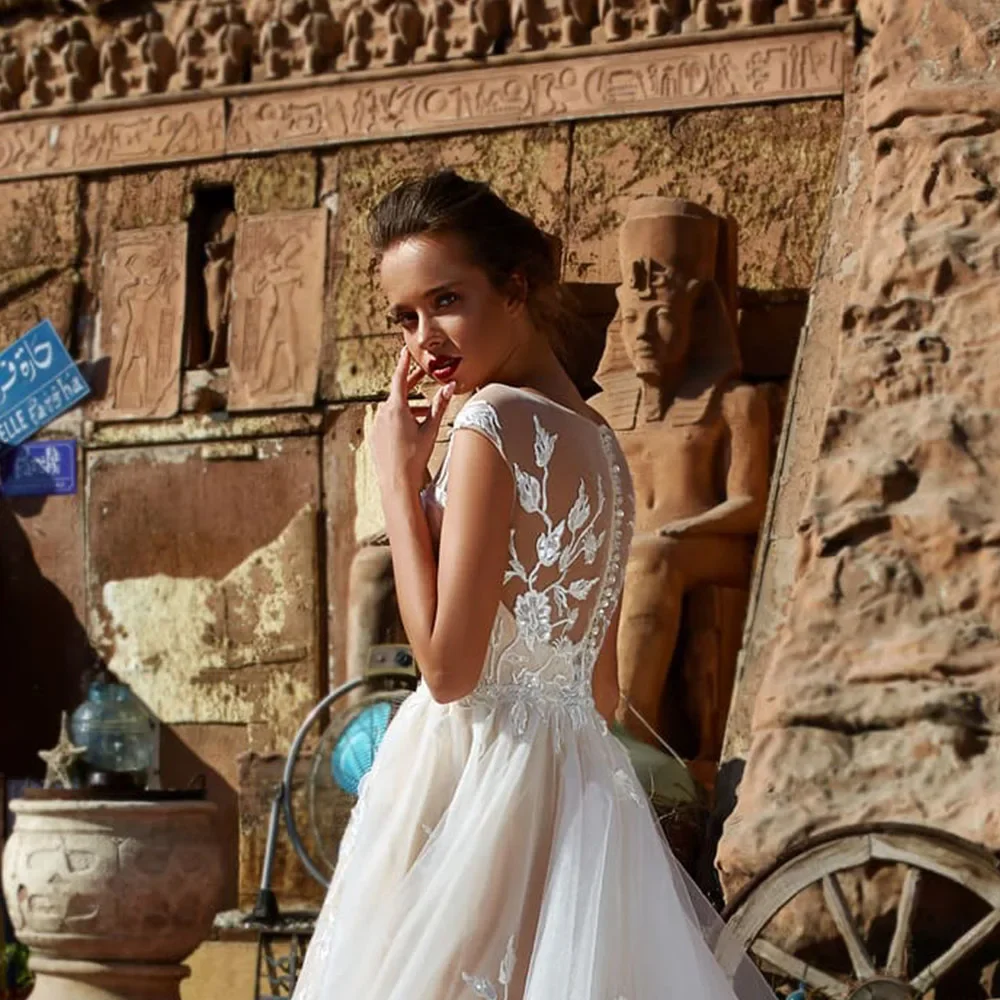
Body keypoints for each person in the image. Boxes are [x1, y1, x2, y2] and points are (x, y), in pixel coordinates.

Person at [290, 171, 774, 1000]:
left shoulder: (491, 424)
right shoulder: (604, 445)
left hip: (469, 769)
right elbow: (604, 686)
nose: (422, 340)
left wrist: (398, 483)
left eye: (446, 300)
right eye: (403, 317)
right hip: (577, 786)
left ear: (515, 286)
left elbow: (446, 672)